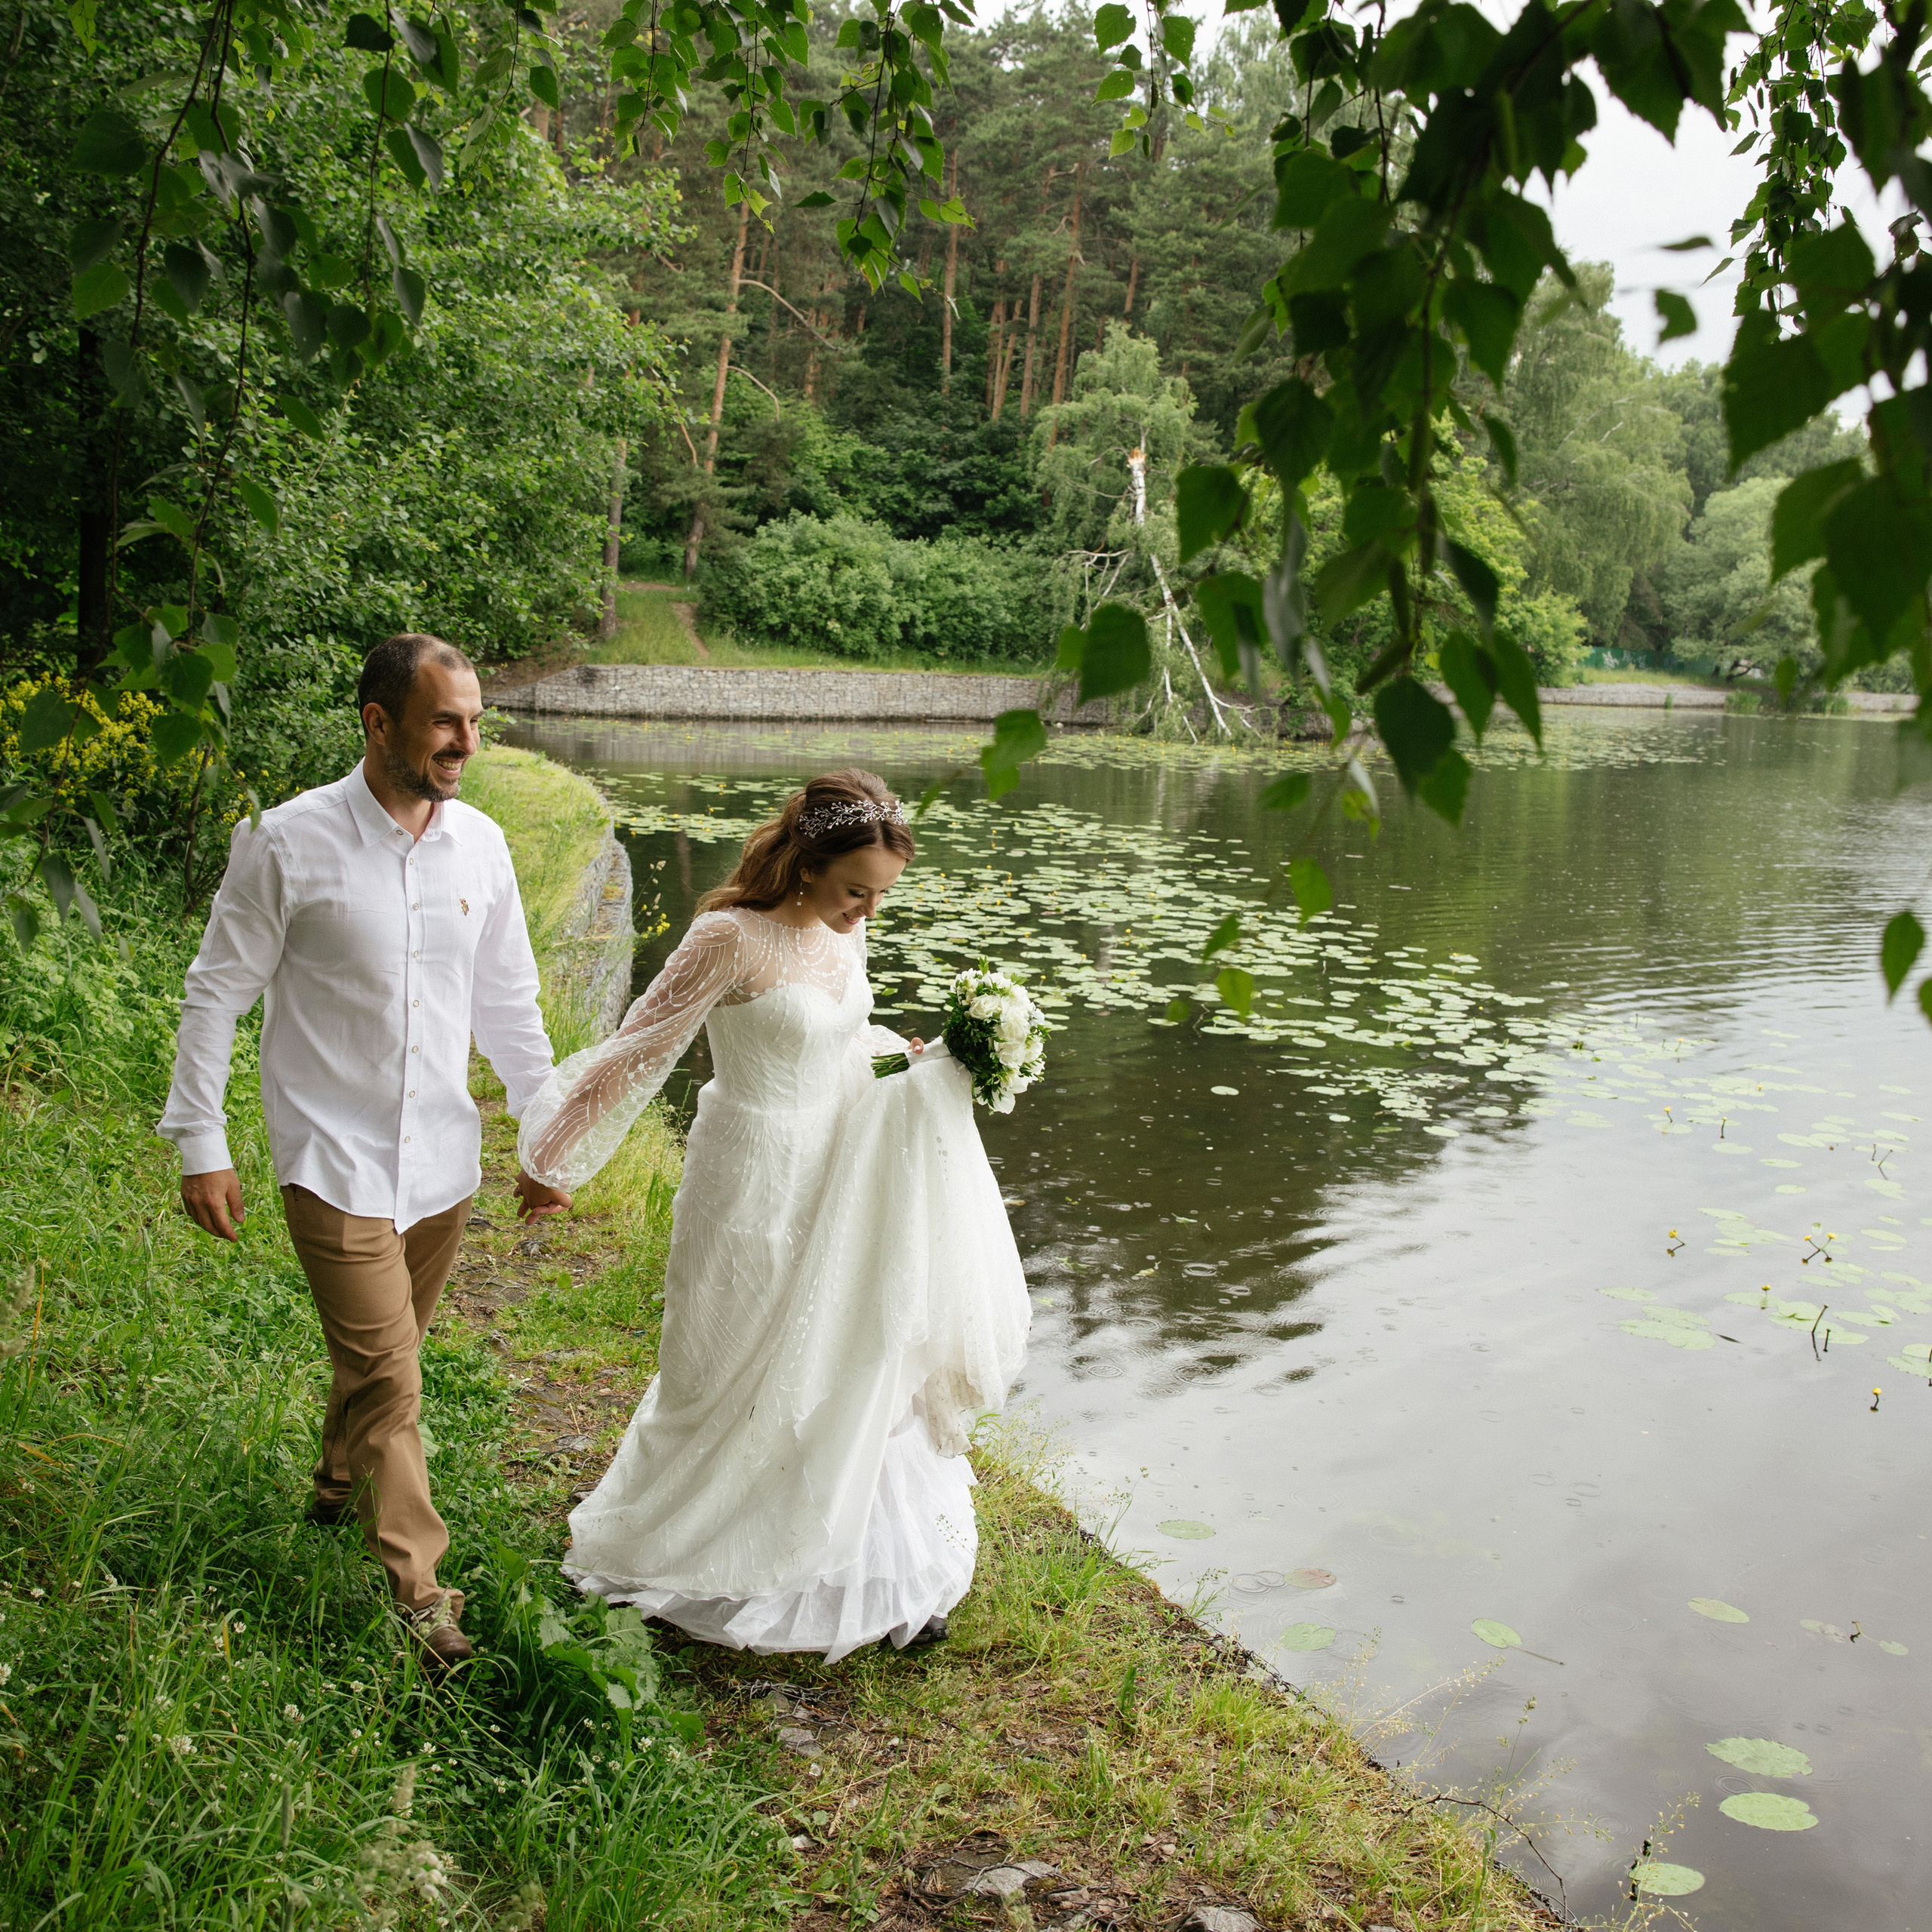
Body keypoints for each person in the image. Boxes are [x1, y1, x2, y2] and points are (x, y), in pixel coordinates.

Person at [518, 769, 1030, 1661]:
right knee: (721, 1363)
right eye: (853, 891)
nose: (865, 912)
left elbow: (842, 1053)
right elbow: (639, 1048)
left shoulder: (845, 940)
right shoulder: (729, 937)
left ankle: (857, 1570)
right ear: (807, 862)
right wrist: (553, 1158)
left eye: (880, 897)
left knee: (842, 1358)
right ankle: (687, 1545)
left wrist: (911, 1062)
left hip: (839, 1173)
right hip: (748, 1173)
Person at [158, 632, 570, 1673]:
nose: (465, 743)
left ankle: (335, 1480)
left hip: (441, 1164)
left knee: (385, 1364)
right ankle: (424, 1598)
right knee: (393, 1375)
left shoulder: (481, 846)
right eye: (445, 722)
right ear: (378, 722)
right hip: (330, 1156)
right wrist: (199, 1139)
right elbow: (217, 992)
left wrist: (548, 1131)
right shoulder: (289, 842)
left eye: (475, 722)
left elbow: (510, 1004)